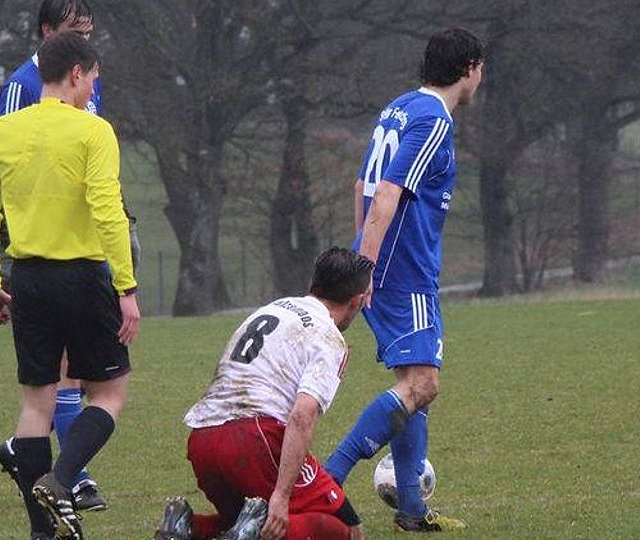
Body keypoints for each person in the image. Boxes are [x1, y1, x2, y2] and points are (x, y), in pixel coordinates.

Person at [0, 32, 139, 540]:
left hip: (29, 280)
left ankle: (42, 532)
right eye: (92, 79)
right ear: (75, 74)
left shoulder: (1, 132)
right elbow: (107, 209)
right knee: (109, 394)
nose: (92, 90)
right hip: (85, 277)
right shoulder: (94, 131)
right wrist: (126, 288)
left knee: (35, 405)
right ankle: (62, 480)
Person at [323, 28, 485, 533]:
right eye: (481, 68)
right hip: (402, 271)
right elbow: (388, 192)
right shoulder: (435, 119)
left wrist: (360, 253)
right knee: (423, 383)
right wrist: (367, 268)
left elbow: (362, 185)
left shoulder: (399, 107)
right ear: (470, 69)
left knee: (415, 385)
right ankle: (327, 481)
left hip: (382, 262)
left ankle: (412, 508)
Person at [154, 247, 373, 540]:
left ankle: (187, 526)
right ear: (357, 300)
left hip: (203, 438)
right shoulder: (329, 337)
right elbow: (302, 416)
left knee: (241, 520)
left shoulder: (274, 308)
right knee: (348, 530)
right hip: (253, 438)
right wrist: (281, 496)